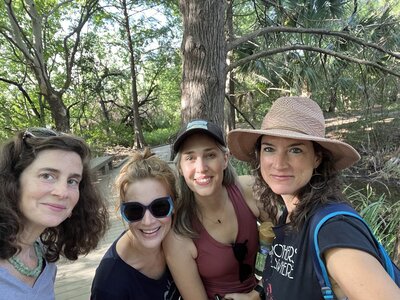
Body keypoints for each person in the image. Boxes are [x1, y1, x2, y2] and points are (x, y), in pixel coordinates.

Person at [227, 96, 400, 300]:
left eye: (295, 150)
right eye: (269, 148)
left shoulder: (333, 230)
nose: (279, 163)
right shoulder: (290, 215)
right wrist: (252, 297)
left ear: (317, 158)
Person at [0, 127, 109, 300]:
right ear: (13, 181)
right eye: (47, 176)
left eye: (72, 181)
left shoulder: (43, 254)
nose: (62, 192)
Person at [163, 119, 265, 300]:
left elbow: (290, 239)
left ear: (225, 159)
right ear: (180, 168)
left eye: (210, 155)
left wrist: (257, 294)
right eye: (190, 158)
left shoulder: (249, 189)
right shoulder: (178, 233)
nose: (201, 168)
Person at [90, 148, 181, 300]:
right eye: (135, 210)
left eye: (160, 207)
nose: (148, 221)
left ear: (174, 206)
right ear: (122, 211)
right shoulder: (110, 287)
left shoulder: (179, 237)